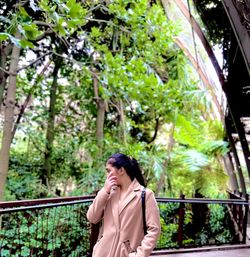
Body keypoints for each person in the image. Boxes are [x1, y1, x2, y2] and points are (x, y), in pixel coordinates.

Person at [87, 153, 161, 257]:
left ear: (121, 170)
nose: (107, 175)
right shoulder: (109, 192)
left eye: (109, 171)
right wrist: (104, 191)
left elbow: (154, 229)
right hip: (103, 253)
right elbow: (92, 217)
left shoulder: (145, 195)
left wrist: (140, 254)